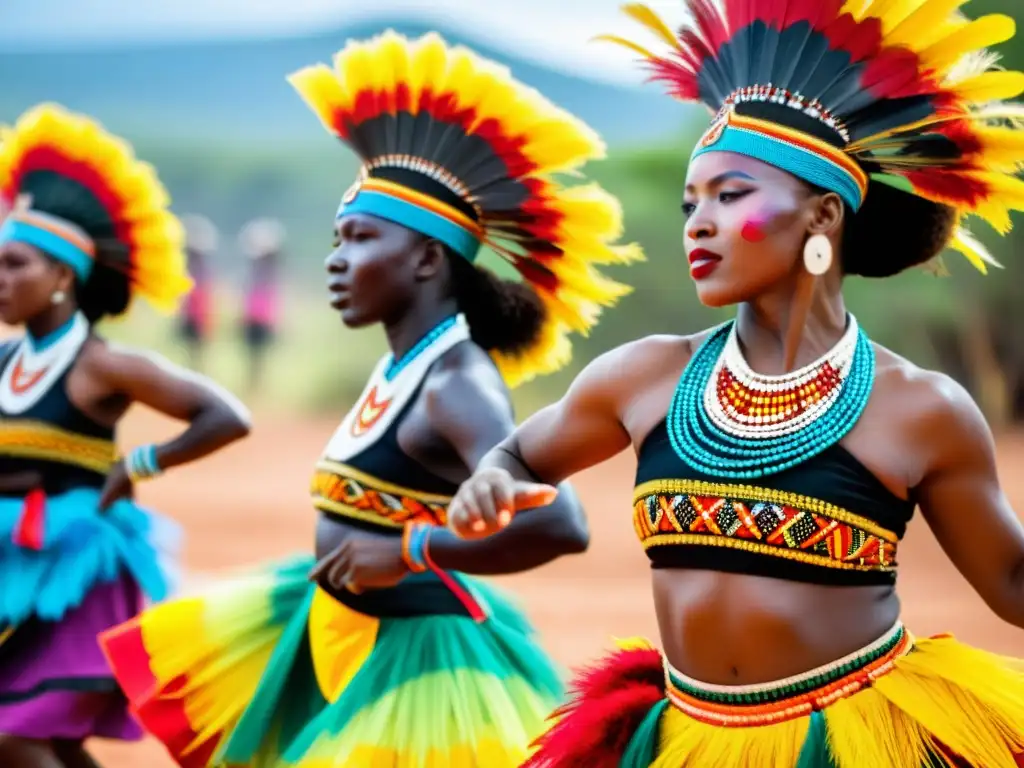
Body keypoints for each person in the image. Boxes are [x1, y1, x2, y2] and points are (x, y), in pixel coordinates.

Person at [447, 2, 1024, 766]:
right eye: (691, 203)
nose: (697, 222)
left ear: (823, 216)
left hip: (854, 741)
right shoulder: (644, 375)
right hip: (682, 738)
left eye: (731, 195)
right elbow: (518, 456)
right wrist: (490, 482)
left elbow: (1012, 581)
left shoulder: (920, 409)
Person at [98, 30, 641, 767]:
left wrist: (414, 547)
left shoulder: (457, 381)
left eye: (358, 238)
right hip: (334, 634)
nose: (335, 259)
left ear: (424, 257)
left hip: (416, 672)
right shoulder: (404, 366)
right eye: (335, 238)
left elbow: (562, 523)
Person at [0, 104, 252, 768]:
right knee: (45, 738)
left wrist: (142, 461)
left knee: (16, 737)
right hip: (11, 563)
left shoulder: (102, 365)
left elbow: (226, 414)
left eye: (14, 264)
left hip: (80, 569)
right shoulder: (4, 362)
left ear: (62, 277)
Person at [237, 217, 284, 396]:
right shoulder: (254, 273)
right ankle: (252, 384)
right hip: (252, 318)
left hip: (263, 319)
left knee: (259, 355)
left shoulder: (271, 273)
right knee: (252, 354)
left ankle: (257, 385)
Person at [177, 214, 219, 374]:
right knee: (190, 349)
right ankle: (192, 371)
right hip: (191, 316)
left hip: (199, 316)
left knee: (196, 350)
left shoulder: (203, 272)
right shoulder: (192, 270)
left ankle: (196, 372)